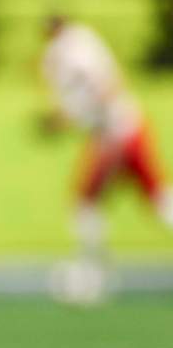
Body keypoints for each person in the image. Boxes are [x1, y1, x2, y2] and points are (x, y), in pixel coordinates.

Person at [38, 15, 173, 303]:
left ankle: (94, 273)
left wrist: (81, 120)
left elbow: (108, 86)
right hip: (123, 129)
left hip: (117, 133)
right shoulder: (79, 44)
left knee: (87, 203)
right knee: (156, 201)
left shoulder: (75, 49)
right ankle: (95, 270)